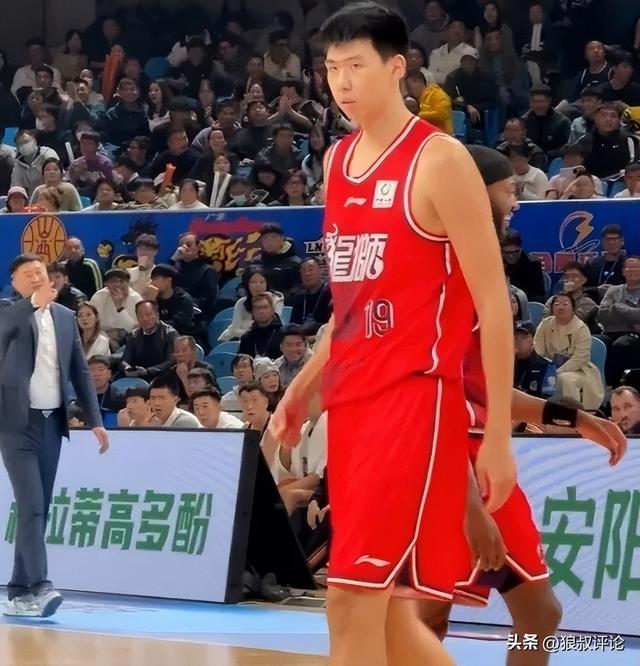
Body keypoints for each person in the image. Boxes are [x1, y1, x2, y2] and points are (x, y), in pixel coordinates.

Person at [270, 5, 516, 665]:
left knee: (350, 599)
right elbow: (349, 307)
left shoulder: (440, 161)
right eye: (332, 68)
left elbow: (493, 304)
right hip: (352, 404)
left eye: (357, 65)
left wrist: (496, 438)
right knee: (390, 623)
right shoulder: (337, 161)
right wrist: (301, 389)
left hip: (414, 402)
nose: (342, 82)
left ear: (397, 67)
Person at [418, 147, 625, 665]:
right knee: (429, 616)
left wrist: (575, 418)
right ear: (474, 191)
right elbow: (433, 401)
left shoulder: (479, 271)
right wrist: (470, 508)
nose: (516, 200)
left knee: (519, 615)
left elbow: (485, 392)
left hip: (475, 459)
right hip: (447, 461)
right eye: (508, 189)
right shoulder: (446, 277)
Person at [0, 254, 108, 618]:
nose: (36, 278)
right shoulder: (8, 311)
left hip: (51, 424)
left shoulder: (64, 317)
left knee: (39, 508)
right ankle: (41, 585)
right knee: (31, 503)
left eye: (40, 273)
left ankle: (18, 590)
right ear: (15, 282)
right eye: (27, 274)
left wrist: (95, 420)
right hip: (16, 426)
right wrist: (33, 303)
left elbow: (79, 370)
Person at [534, 294, 604, 411]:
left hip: (578, 370)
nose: (560, 307)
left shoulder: (581, 328)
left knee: (565, 379)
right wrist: (545, 368)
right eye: (557, 304)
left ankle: (572, 413)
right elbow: (538, 349)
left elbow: (580, 359)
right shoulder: (545, 324)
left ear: (573, 308)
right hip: (549, 366)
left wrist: (556, 371)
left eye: (565, 304)